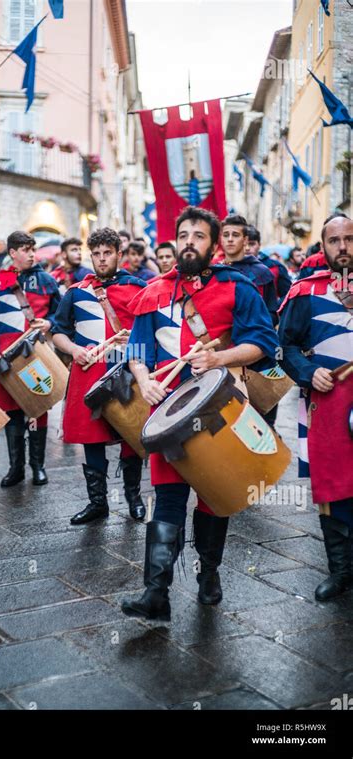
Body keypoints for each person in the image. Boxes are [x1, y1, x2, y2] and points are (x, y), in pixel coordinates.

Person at [120, 206, 279, 621]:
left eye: (199, 235)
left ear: (212, 245)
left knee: (214, 495)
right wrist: (143, 380)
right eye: (184, 234)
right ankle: (156, 592)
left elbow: (263, 342)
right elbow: (137, 350)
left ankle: (208, 574)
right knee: (168, 498)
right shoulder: (154, 291)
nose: (189, 241)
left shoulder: (237, 287)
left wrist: (219, 358)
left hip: (218, 408)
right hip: (168, 412)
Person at [278, 214, 353, 602]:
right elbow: (283, 348)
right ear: (322, 247)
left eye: (349, 239)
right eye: (335, 240)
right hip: (327, 405)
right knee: (332, 488)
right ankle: (340, 571)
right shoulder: (304, 293)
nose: (343, 247)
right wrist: (309, 373)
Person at [51, 227, 147, 524]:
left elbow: (150, 331)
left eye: (108, 253)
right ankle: (98, 502)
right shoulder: (76, 292)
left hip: (127, 371)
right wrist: (74, 350)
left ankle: (134, 496)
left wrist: (134, 341)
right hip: (88, 372)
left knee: (131, 432)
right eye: (96, 254)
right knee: (91, 437)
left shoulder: (138, 288)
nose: (102, 259)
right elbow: (58, 332)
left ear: (119, 254)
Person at [0, 231, 61, 487]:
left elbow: (60, 317)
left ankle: (38, 467)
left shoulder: (47, 282)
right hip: (6, 359)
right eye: (25, 249)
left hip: (35, 357)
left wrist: (49, 323)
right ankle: (15, 468)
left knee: (38, 408)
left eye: (33, 248)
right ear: (12, 253)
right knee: (11, 412)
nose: (32, 253)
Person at [219, 216, 279, 326]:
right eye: (226, 235)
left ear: (245, 240)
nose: (230, 239)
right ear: (221, 239)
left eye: (235, 235)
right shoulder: (214, 272)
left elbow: (273, 314)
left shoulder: (262, 272)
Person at [245, 226, 291, 301]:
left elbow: (287, 296)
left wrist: (274, 309)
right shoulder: (230, 266)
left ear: (259, 245)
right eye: (244, 244)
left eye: (251, 244)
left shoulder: (275, 267)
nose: (247, 248)